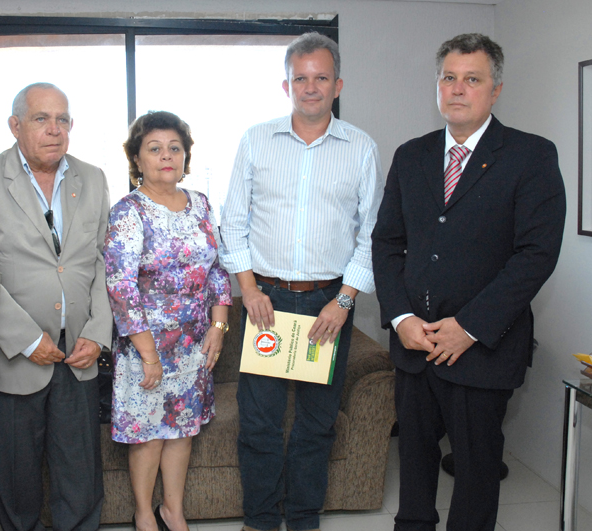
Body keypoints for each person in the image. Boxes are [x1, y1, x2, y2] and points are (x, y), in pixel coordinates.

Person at [371, 33, 566, 531]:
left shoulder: (530, 155)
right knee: (414, 465)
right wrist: (401, 317)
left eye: (472, 79)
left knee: (476, 471)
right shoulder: (411, 155)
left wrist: (470, 327)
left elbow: (536, 255)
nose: (457, 89)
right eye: (449, 78)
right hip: (415, 345)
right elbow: (387, 243)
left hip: (481, 350)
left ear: (495, 90)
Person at [219, 32, 384, 531]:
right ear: (286, 85)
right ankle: (260, 519)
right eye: (300, 79)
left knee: (316, 422)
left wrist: (345, 301)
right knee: (260, 422)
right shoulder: (256, 140)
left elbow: (373, 233)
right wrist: (249, 291)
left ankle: (304, 517)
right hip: (265, 302)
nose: (310, 87)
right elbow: (233, 223)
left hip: (327, 306)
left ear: (338, 85)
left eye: (321, 78)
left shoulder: (360, 147)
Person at [0, 82, 112, 531]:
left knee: (80, 478)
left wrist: (97, 333)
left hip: (79, 353)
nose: (54, 129)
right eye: (41, 119)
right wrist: (25, 339)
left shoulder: (93, 178)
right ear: (15, 125)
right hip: (12, 357)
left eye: (62, 119)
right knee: (16, 480)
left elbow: (103, 262)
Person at [104, 111, 232, 531]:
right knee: (149, 434)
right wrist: (149, 356)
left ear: (185, 157)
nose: (166, 156)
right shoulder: (129, 211)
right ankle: (144, 513)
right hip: (146, 345)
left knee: (182, 429)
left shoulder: (201, 204)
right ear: (137, 158)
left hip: (194, 343)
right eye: (155, 148)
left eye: (174, 148)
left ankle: (172, 511)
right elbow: (121, 288)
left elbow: (216, 270)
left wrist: (218, 326)